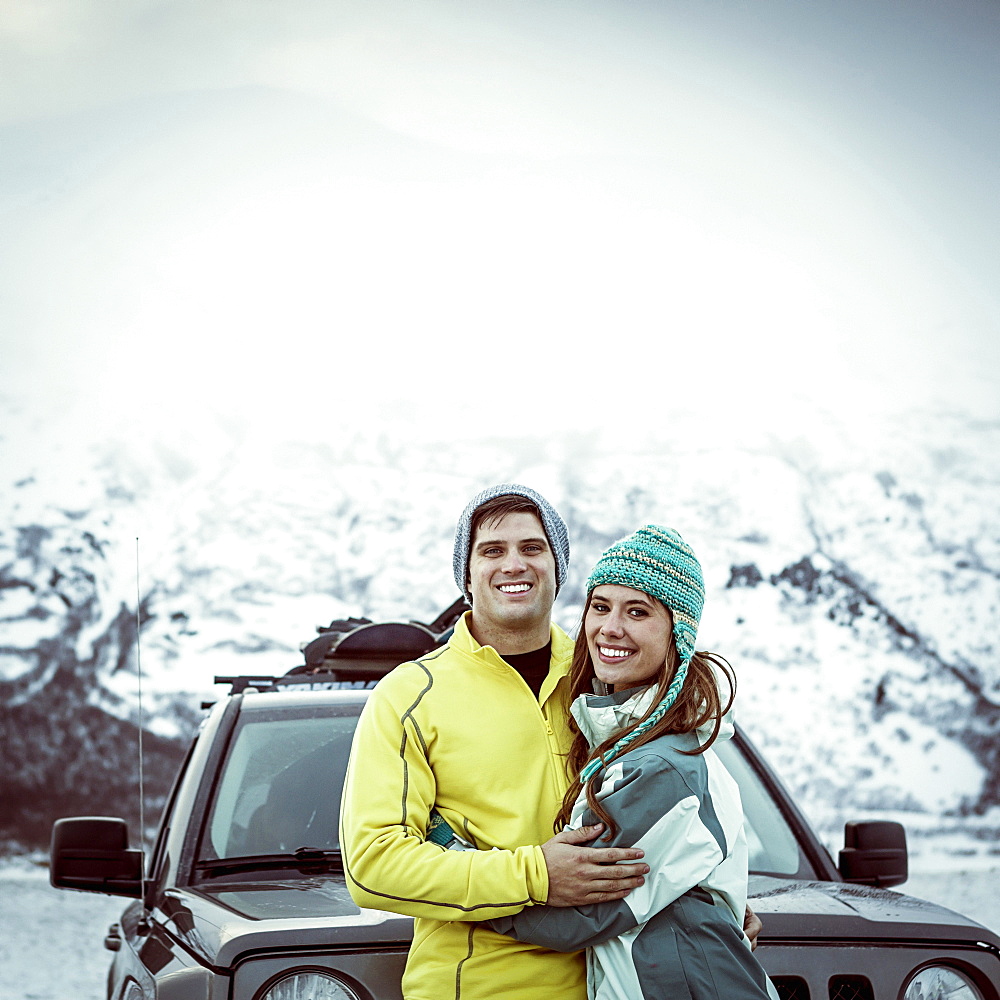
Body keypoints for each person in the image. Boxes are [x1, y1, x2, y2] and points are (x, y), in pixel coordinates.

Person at [340, 486, 759, 1000]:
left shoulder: (604, 675)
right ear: (466, 575)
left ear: (558, 568)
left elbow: (678, 805)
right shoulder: (410, 696)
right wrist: (534, 874)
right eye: (492, 551)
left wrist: (705, 897)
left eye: (532, 548)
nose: (514, 564)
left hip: (614, 985)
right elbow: (373, 867)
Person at [484, 525, 777, 1000]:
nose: (610, 628)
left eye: (637, 612)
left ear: (676, 633)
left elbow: (576, 918)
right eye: (600, 607)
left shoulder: (662, 767)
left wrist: (455, 868)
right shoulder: (658, 747)